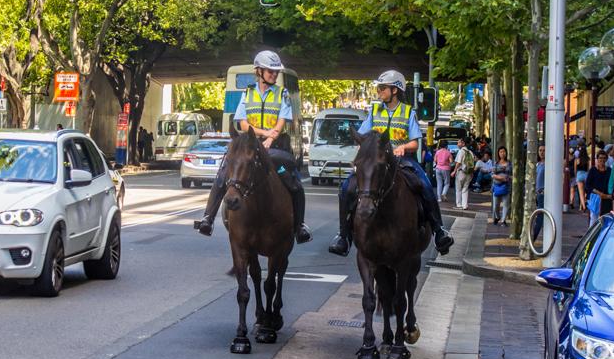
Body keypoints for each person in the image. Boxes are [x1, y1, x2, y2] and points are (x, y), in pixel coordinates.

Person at [328, 70, 453, 256]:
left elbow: (415, 142)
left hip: (403, 161)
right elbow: (363, 136)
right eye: (379, 88)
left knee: (426, 185)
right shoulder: (374, 111)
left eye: (382, 88)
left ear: (395, 90)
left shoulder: (408, 111)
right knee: (346, 187)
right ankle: (343, 236)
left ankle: (438, 231)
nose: (379, 91)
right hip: (376, 162)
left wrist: (403, 147)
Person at [194, 51, 312, 244]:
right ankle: (208, 218)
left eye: (275, 72)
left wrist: (271, 137)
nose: (274, 75)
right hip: (250, 143)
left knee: (294, 182)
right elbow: (241, 124)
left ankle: (299, 226)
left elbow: (282, 120)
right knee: (223, 174)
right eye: (270, 71)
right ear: (259, 71)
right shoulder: (247, 93)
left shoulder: (281, 93)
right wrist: (264, 135)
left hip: (277, 147)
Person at [585, 150, 613, 225]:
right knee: (594, 218)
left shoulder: (609, 171)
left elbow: (612, 183)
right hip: (595, 198)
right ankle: (592, 235)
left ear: (606, 159)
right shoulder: (593, 170)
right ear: (597, 159)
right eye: (600, 158)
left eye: (604, 158)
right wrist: (599, 193)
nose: (602, 160)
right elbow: (588, 185)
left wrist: (607, 195)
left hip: (606, 198)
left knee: (605, 218)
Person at [451, 137, 474, 210]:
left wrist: (454, 171)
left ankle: (459, 205)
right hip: (469, 173)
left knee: (458, 189)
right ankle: (465, 205)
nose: (458, 144)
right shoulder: (470, 152)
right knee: (465, 189)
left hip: (461, 172)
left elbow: (458, 162)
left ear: (463, 143)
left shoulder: (461, 151)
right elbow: (473, 162)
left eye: (459, 142)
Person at [492, 146, 512, 226]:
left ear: (506, 153)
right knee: (495, 206)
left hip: (506, 186)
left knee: (506, 204)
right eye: (500, 152)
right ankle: (497, 217)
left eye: (504, 151)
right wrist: (501, 178)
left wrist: (506, 179)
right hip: (496, 186)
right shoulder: (496, 163)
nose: (502, 153)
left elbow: (511, 175)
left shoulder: (509, 163)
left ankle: (503, 220)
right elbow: (492, 174)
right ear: (498, 153)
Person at [531, 144, 546, 241]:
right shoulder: (537, 164)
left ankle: (533, 238)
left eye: (544, 150)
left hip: (542, 194)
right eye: (540, 150)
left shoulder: (548, 165)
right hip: (535, 194)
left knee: (539, 217)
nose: (541, 152)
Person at [575, 146, 590, 213]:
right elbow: (589, 169)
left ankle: (583, 206)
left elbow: (575, 170)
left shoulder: (577, 160)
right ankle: (583, 205)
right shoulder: (588, 159)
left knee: (581, 192)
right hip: (586, 175)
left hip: (579, 174)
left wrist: (576, 176)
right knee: (585, 191)